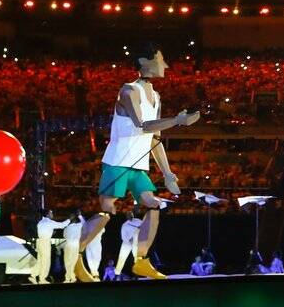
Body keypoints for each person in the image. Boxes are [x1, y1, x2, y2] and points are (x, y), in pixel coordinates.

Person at [76, 44, 200, 282]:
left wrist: (167, 173)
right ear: (144, 61)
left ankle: (141, 261)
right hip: (118, 161)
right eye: (161, 59)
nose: (165, 65)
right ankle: (75, 257)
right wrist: (177, 120)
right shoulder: (128, 91)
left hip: (139, 165)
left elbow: (155, 138)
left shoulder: (157, 97)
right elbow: (143, 126)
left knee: (153, 205)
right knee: (107, 211)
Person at [115, 211, 143, 276]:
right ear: (127, 216)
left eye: (131, 214)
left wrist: (140, 228)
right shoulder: (124, 225)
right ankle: (117, 273)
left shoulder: (138, 221)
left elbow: (144, 227)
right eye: (129, 214)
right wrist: (129, 240)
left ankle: (138, 272)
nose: (130, 215)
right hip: (127, 243)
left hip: (136, 242)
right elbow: (123, 236)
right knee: (122, 257)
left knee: (137, 257)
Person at [62, 212, 84, 283]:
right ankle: (71, 278)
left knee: (71, 261)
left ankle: (69, 278)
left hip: (73, 244)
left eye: (72, 216)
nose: (71, 218)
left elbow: (84, 223)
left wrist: (80, 215)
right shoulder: (66, 228)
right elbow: (64, 236)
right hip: (69, 245)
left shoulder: (78, 225)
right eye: (70, 216)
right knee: (68, 262)